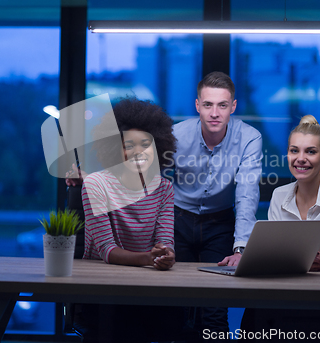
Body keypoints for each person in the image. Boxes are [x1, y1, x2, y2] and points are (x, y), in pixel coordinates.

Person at [240, 115, 320, 342]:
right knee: (252, 319)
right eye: (294, 151)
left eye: (310, 152)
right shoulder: (279, 195)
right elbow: (273, 251)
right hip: (285, 295)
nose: (300, 159)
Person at [74, 97, 194, 343]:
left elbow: (165, 240)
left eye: (146, 144)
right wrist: (149, 258)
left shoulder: (163, 188)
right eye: (129, 145)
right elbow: (107, 251)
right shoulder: (95, 184)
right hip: (103, 288)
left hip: (148, 283)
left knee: (172, 323)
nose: (138, 152)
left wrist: (166, 254)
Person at [167, 71, 263, 337]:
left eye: (222, 105)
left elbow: (247, 192)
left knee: (215, 311)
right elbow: (146, 178)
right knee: (176, 308)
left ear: (233, 106)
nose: (214, 113)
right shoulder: (175, 135)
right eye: (207, 105)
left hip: (220, 224)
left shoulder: (249, 138)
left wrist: (241, 247)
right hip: (179, 220)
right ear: (197, 105)